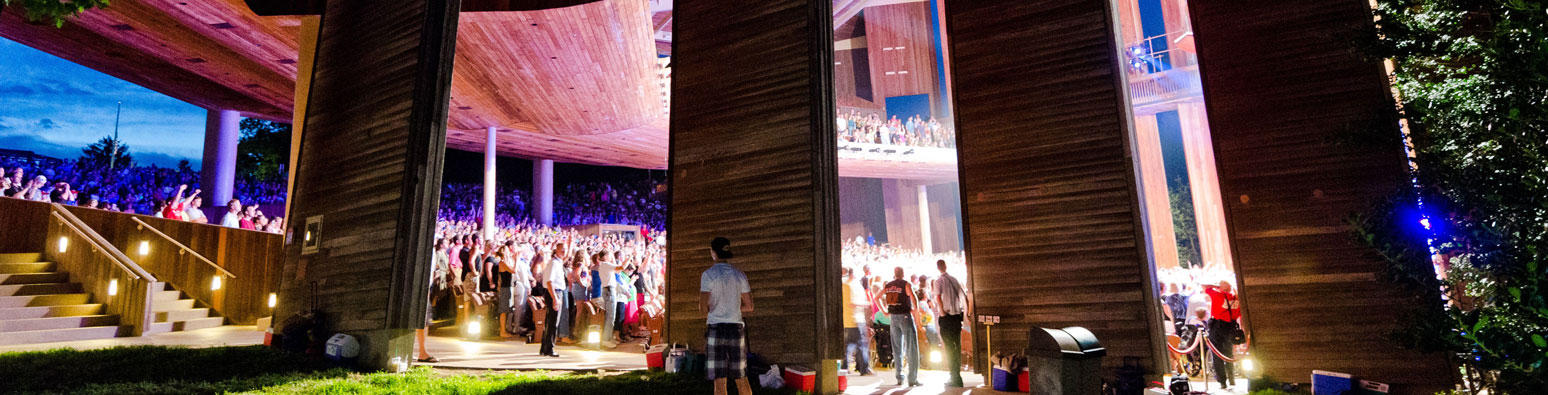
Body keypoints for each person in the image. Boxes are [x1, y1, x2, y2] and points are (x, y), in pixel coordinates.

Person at [700, 237, 752, 395]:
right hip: (736, 327)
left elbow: (702, 308)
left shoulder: (708, 275)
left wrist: (716, 307)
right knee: (741, 378)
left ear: (713, 253)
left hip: (716, 327)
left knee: (719, 380)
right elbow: (749, 306)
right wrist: (733, 307)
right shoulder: (739, 275)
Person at [883, 266, 922, 387]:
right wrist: (915, 310)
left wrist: (884, 311)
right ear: (903, 274)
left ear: (894, 274)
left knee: (897, 348)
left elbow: (876, 297)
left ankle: (899, 377)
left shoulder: (888, 285)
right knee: (911, 347)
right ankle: (912, 378)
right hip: (905, 316)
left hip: (893, 318)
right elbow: (913, 297)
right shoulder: (906, 284)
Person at [932, 259, 968, 387]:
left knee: (949, 348)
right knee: (957, 346)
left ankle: (955, 377)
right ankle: (957, 376)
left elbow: (937, 297)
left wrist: (941, 312)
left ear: (938, 267)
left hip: (947, 317)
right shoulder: (955, 280)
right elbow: (964, 297)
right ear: (946, 266)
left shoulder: (938, 281)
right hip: (957, 317)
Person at [1202, 281, 1241, 388]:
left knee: (1216, 354)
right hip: (1231, 327)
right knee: (1229, 353)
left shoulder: (1217, 295)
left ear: (1221, 288)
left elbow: (1204, 285)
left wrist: (1215, 286)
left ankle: (1222, 382)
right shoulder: (1237, 299)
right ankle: (1232, 378)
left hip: (1217, 327)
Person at [841, 268, 873, 376]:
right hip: (855, 319)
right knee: (860, 344)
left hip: (850, 319)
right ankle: (864, 368)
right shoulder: (849, 285)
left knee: (851, 344)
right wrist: (866, 304)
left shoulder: (847, 284)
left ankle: (845, 367)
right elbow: (851, 302)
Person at [540, 244, 569, 357]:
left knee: (550, 322)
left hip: (556, 292)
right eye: (561, 250)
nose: (563, 251)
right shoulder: (553, 263)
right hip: (554, 292)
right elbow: (549, 282)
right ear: (556, 250)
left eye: (565, 250)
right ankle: (549, 348)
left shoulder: (558, 262)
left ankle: (545, 348)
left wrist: (570, 243)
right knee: (553, 322)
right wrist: (555, 298)